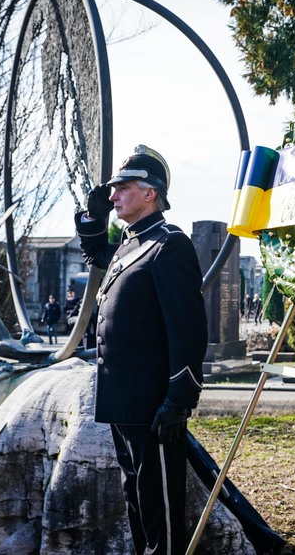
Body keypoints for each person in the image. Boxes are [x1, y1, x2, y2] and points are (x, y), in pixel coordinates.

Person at [75, 145, 208, 555]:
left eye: (122, 188)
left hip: (154, 403)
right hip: (125, 399)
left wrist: (178, 398)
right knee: (136, 496)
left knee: (160, 507)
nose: (113, 195)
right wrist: (93, 215)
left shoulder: (171, 244)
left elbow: (187, 327)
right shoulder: (131, 244)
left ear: (150, 193)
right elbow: (95, 252)